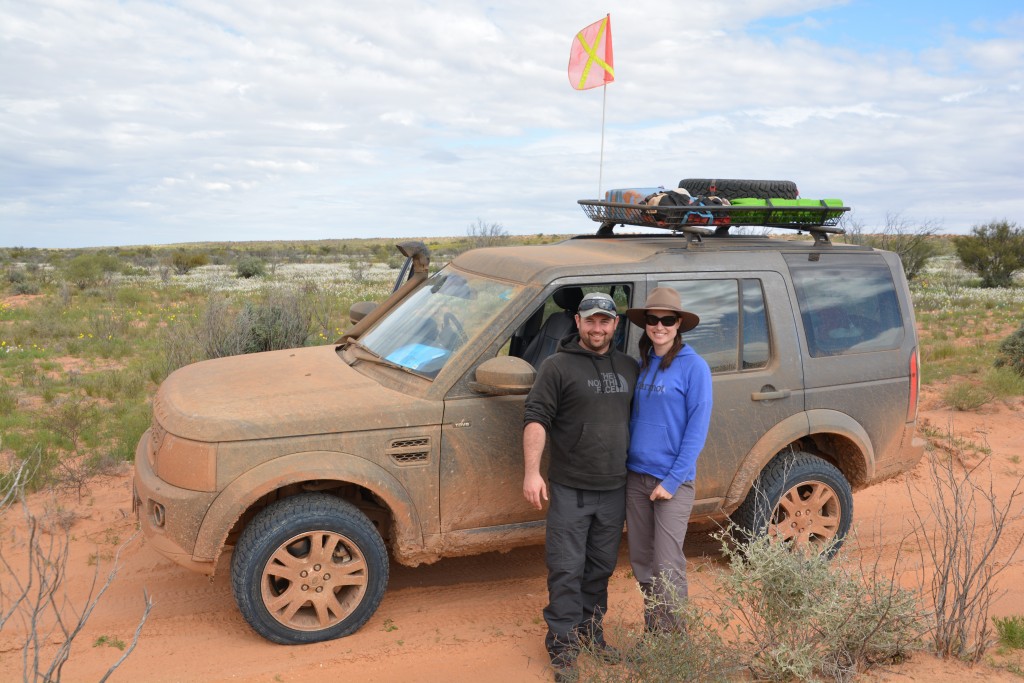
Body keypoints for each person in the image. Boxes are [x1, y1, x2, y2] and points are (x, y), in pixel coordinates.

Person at [522, 291, 640, 681]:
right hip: (571, 488)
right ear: (577, 322)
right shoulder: (556, 367)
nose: (597, 328)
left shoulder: (629, 367)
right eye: (590, 320)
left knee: (600, 568)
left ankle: (591, 635)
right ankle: (563, 651)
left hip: (614, 488)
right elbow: (536, 417)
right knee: (566, 569)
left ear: (615, 325)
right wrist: (532, 472)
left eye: (605, 321)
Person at [623, 287, 713, 633]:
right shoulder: (643, 363)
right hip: (636, 477)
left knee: (667, 562)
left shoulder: (695, 368)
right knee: (642, 562)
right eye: (653, 319)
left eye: (667, 320)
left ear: (679, 325)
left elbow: (696, 430)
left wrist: (671, 481)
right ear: (645, 323)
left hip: (672, 482)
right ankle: (655, 629)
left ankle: (672, 640)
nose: (659, 326)